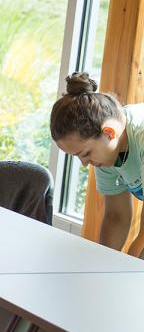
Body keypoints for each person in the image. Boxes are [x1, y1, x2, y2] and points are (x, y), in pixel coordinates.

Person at [51, 72, 144, 253]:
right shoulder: (108, 149)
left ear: (109, 132)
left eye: (85, 154)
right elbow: (116, 217)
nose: (85, 163)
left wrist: (127, 267)